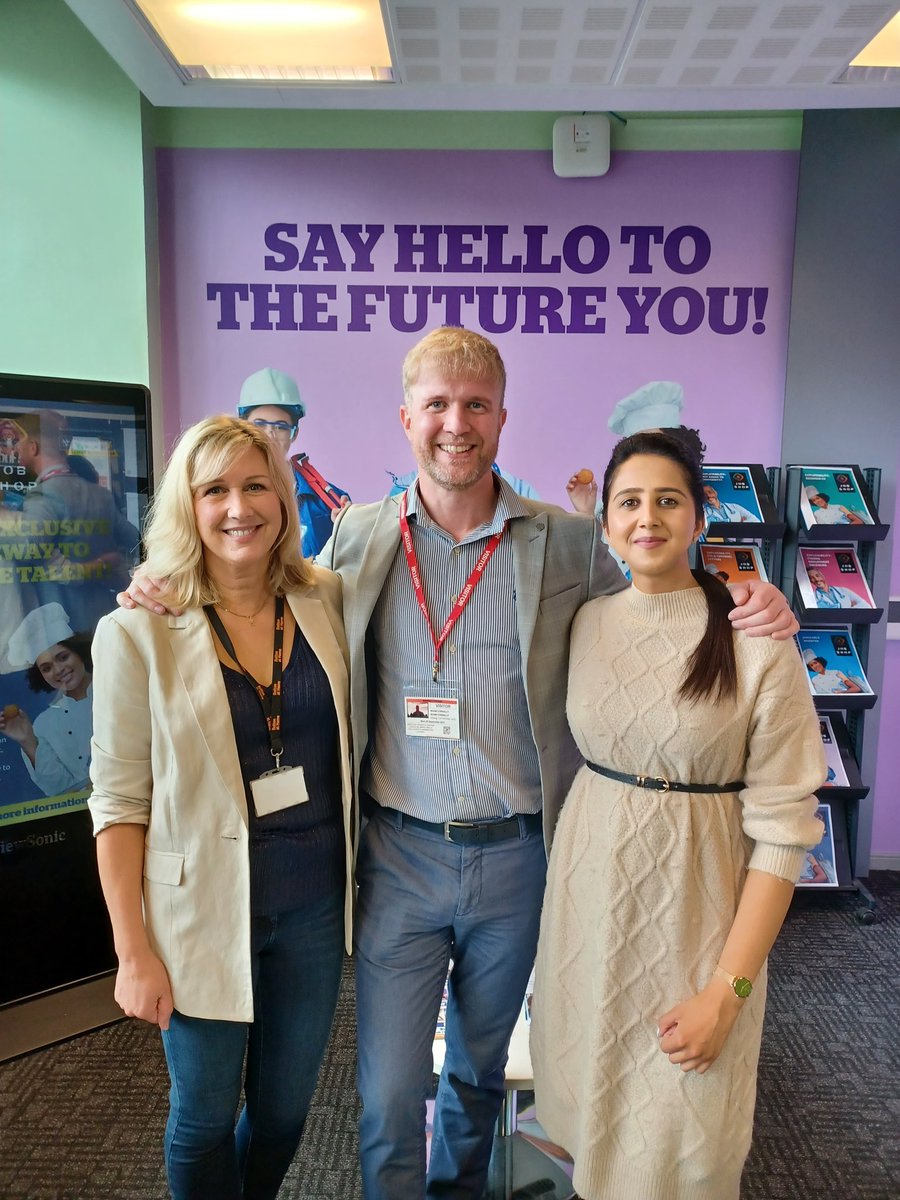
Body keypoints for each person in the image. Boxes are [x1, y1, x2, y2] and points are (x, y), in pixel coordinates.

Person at [120, 329, 797, 1200]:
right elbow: (256, 584)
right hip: (399, 857)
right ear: (406, 419)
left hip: (518, 858)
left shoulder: (562, 542)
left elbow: (651, 580)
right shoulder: (358, 543)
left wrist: (743, 589)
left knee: (477, 1081)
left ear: (502, 419)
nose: (455, 424)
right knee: (390, 1094)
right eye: (436, 405)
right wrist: (163, 582)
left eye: (475, 405)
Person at [530, 430, 825, 1200]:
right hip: (587, 918)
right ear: (605, 525)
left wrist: (727, 990)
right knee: (590, 1131)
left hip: (694, 928)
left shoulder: (755, 638)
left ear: (700, 519)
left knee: (686, 1151)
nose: (647, 518)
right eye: (628, 502)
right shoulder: (586, 623)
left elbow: (785, 836)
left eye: (668, 500)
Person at [89, 416, 354, 1200]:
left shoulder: (325, 598)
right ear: (188, 505)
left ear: (282, 496)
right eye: (215, 491)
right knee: (203, 1120)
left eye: (255, 485)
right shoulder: (138, 629)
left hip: (311, 908)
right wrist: (131, 950)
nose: (239, 507)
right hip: (197, 912)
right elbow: (119, 802)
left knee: (282, 1116)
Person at [3, 411, 141, 629]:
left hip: (62, 624)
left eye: (19, 441)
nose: (15, 448)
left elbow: (28, 548)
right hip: (104, 615)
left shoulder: (43, 496)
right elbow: (136, 540)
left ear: (33, 447)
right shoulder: (101, 495)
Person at [238, 367, 350, 557]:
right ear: (240, 427)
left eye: (281, 427)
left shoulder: (331, 503)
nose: (269, 434)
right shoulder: (224, 497)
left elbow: (344, 572)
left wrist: (349, 533)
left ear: (294, 434)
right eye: (259, 424)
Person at [1, 603, 93, 797]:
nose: (58, 670)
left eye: (63, 657)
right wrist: (28, 741)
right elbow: (59, 790)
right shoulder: (44, 724)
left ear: (79, 652)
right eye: (46, 668)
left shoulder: (116, 689)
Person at [804, 486, 871, 526]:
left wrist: (844, 528)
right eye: (814, 500)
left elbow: (858, 521)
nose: (817, 501)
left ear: (822, 497)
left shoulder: (839, 507)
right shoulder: (816, 514)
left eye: (818, 498)